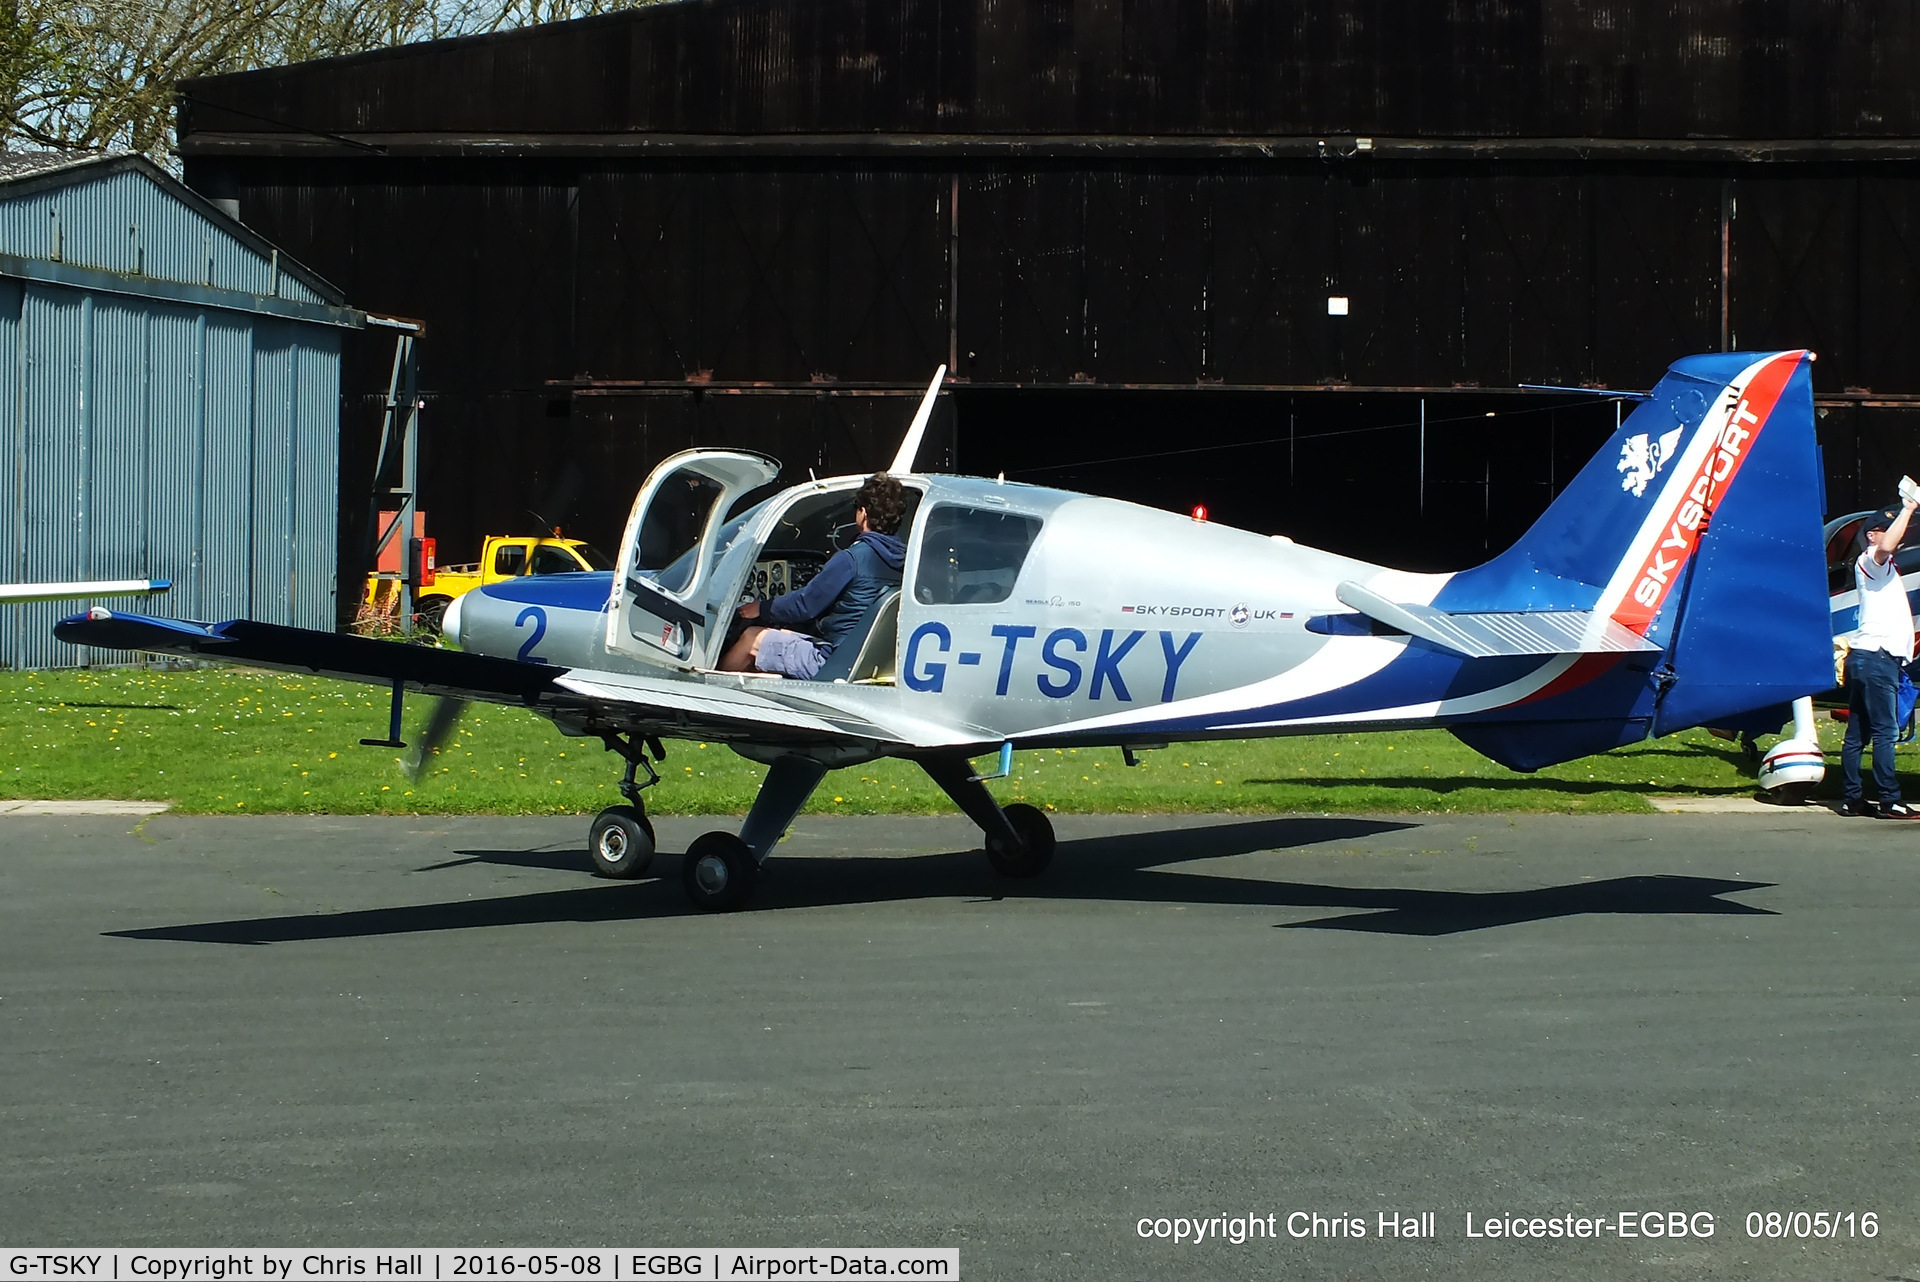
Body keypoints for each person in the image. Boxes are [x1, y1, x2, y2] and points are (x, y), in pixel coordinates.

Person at [718, 473, 907, 679]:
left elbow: (805, 605)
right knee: (785, 634)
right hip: (865, 659)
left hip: (833, 660)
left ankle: (712, 698)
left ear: (863, 512)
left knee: (751, 638)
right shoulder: (903, 562)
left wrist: (760, 608)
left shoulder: (851, 558)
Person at [1840, 496, 1920, 817]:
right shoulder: (1873, 558)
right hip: (1878, 659)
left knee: (1857, 734)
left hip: (1865, 657)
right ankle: (1889, 799)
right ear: (1872, 534)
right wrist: (1909, 508)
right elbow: (1886, 546)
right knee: (1886, 732)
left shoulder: (1881, 569)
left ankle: (1851, 798)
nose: (1893, 535)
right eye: (1883, 529)